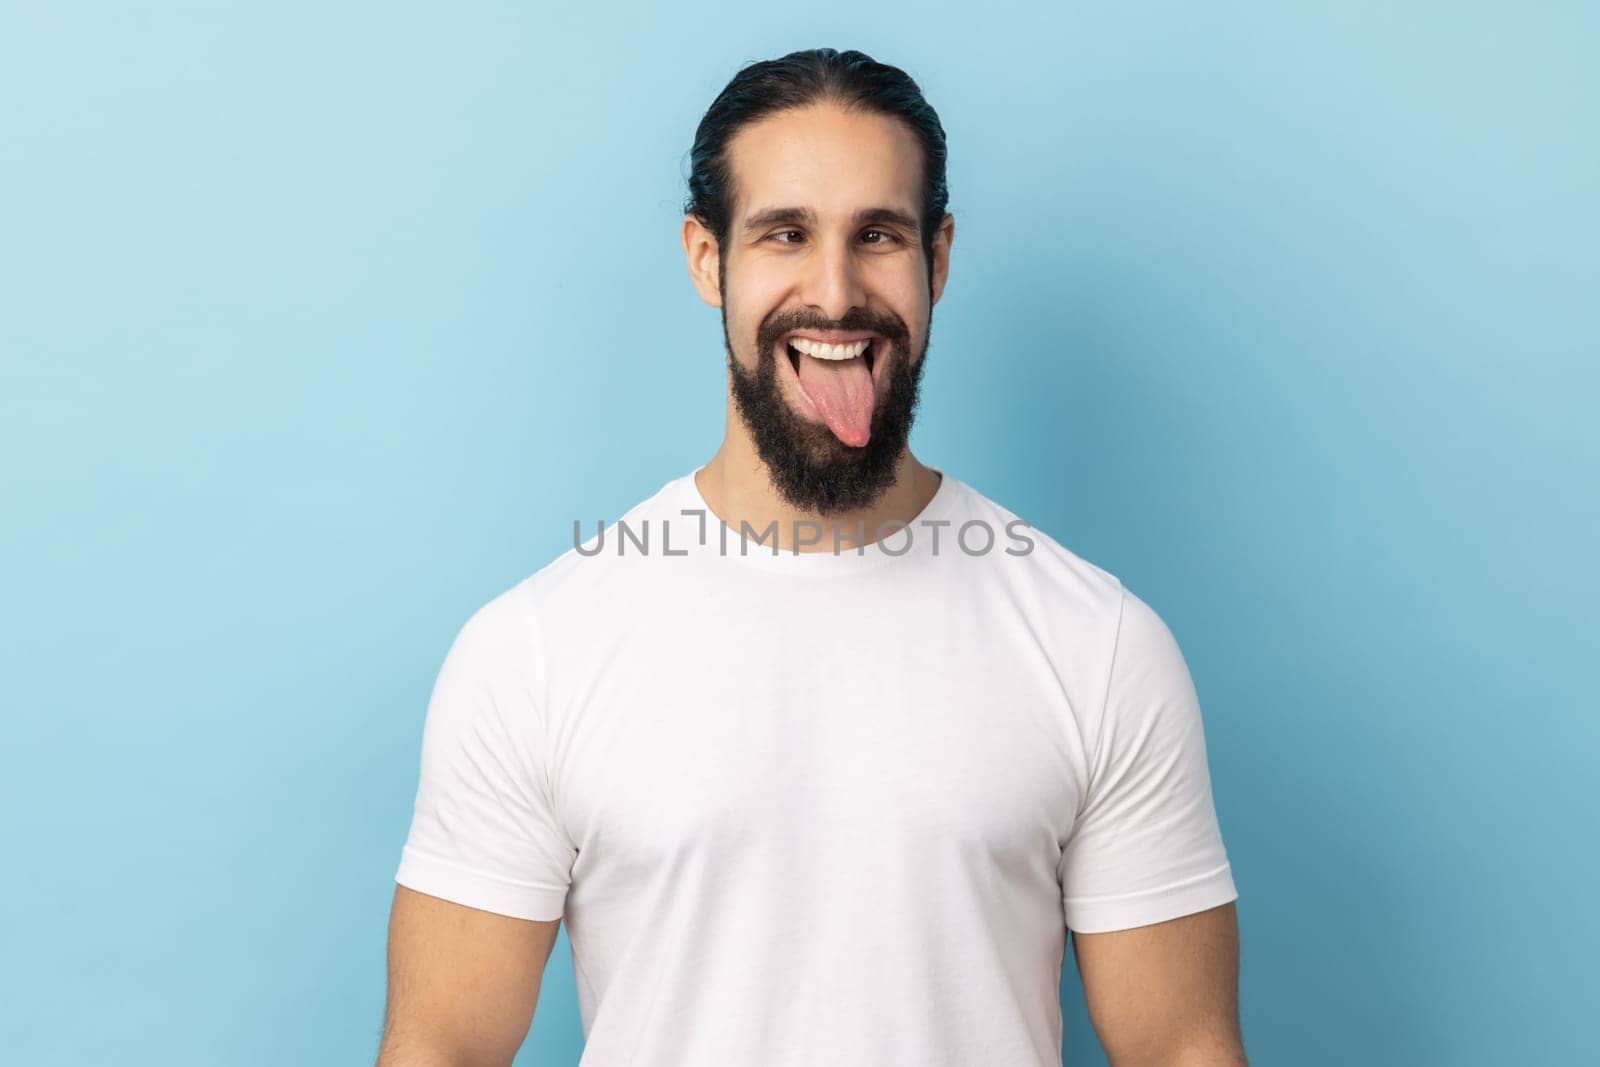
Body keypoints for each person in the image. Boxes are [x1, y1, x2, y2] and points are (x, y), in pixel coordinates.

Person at [377, 47, 1246, 1067]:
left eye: (876, 235)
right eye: (784, 233)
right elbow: (441, 1045)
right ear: (709, 260)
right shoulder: (532, 650)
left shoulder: (1097, 643)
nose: (834, 294)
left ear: (939, 258)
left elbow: (1181, 1047)